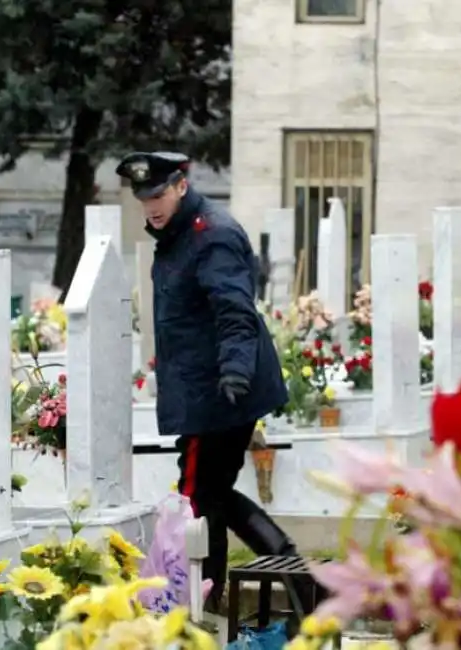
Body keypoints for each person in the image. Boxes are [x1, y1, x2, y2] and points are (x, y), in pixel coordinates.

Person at [115, 151, 314, 614]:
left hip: (221, 390)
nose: (151, 206)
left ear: (181, 185)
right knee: (209, 497)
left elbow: (234, 311)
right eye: (143, 198)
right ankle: (228, 593)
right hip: (202, 386)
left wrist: (235, 371)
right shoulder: (178, 233)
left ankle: (223, 595)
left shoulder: (213, 234)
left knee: (198, 496)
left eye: (159, 194)